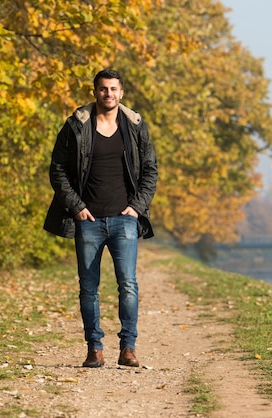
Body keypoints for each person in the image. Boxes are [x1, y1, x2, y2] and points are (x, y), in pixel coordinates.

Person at [43, 69, 158, 368]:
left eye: (113, 89)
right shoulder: (76, 126)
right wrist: (76, 206)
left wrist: (137, 207)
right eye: (103, 89)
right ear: (95, 92)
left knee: (128, 285)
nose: (109, 94)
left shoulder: (134, 125)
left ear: (121, 92)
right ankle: (94, 348)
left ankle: (128, 348)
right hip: (88, 220)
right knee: (88, 287)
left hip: (125, 220)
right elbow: (58, 170)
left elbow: (150, 171)